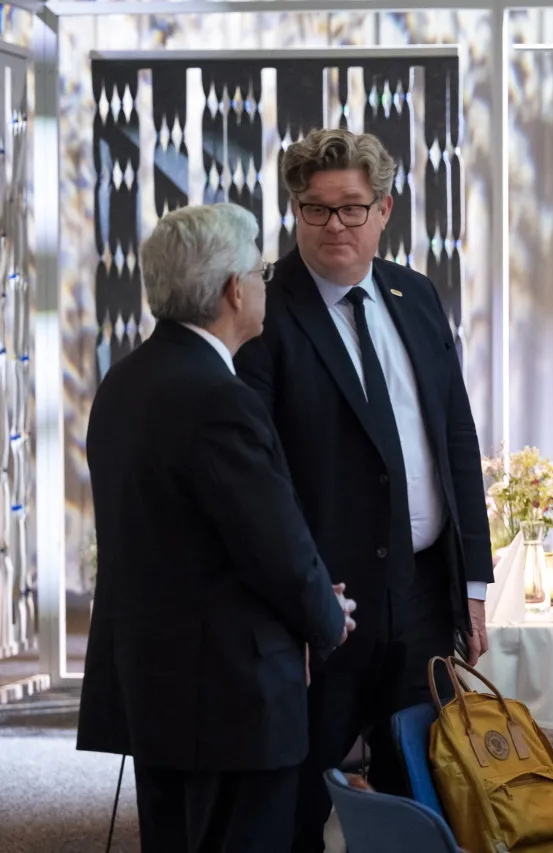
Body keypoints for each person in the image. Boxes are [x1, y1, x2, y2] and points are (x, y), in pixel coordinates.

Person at [234, 128, 494, 851]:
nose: (334, 226)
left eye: (351, 208)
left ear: (385, 210)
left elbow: (455, 442)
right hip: (325, 608)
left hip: (419, 598)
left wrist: (473, 580)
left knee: (423, 788)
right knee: (294, 803)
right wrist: (299, 602)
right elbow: (257, 476)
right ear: (295, 213)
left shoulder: (415, 295)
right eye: (315, 210)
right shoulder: (262, 310)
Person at [77, 203, 357, 853]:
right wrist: (327, 613)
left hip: (154, 684)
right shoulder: (218, 396)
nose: (265, 283)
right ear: (234, 290)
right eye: (258, 270)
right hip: (231, 696)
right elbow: (273, 543)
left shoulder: (124, 380)